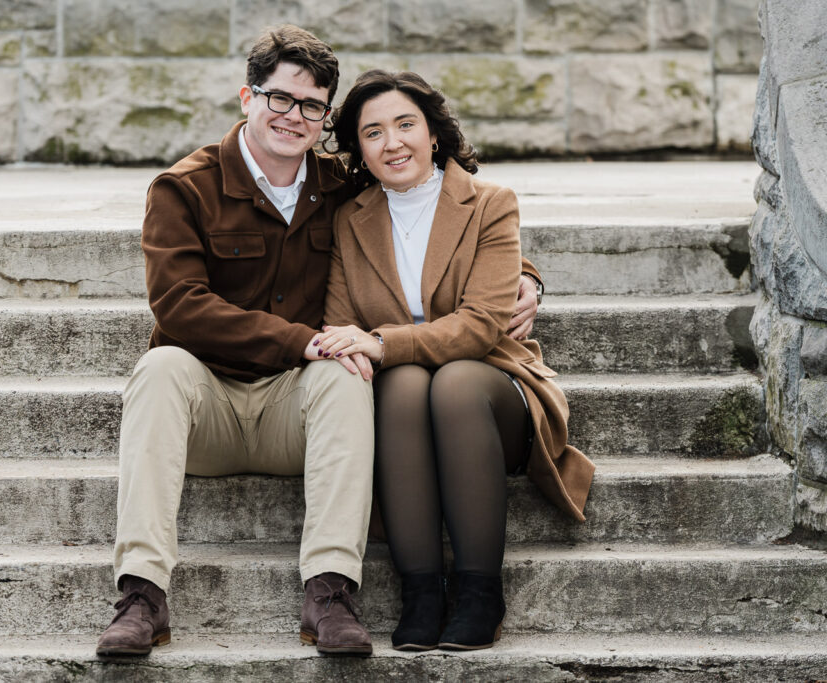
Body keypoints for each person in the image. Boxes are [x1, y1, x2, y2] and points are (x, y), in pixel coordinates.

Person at [96, 27, 542, 658]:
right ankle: (141, 597)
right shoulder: (183, 188)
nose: (293, 117)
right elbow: (178, 305)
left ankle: (330, 594)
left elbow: (438, 208)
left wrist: (527, 277)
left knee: (344, 371)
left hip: (292, 408)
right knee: (161, 364)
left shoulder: (338, 185)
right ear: (246, 97)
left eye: (311, 107)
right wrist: (304, 341)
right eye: (280, 99)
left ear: (325, 118)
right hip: (207, 404)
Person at [317, 70, 595, 652]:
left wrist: (384, 343)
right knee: (406, 385)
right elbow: (342, 324)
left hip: (494, 388)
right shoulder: (350, 218)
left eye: (404, 125)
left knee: (453, 383)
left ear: (434, 134)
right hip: (402, 403)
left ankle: (478, 592)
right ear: (359, 151)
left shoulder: (489, 204)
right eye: (373, 132)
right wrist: (369, 348)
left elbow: (482, 325)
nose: (392, 142)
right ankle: (420, 592)